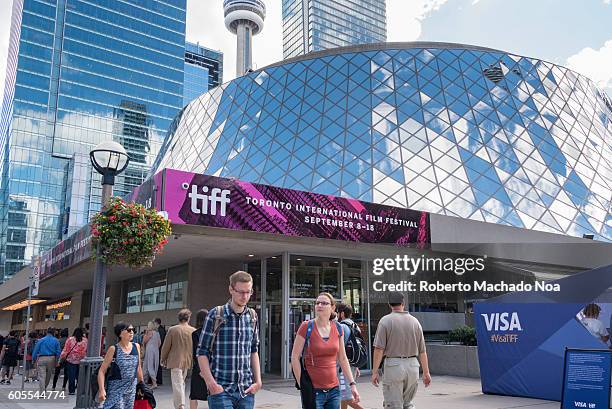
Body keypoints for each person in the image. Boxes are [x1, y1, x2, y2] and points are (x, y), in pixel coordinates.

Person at [197, 271, 262, 409]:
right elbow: (202, 352)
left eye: (248, 292)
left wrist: (258, 382)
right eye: (241, 292)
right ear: (231, 289)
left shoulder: (252, 316)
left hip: (246, 390)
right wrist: (211, 384)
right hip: (221, 390)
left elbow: (253, 350)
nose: (245, 296)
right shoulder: (216, 315)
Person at [291, 292, 360, 409]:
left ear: (332, 307)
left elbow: (343, 358)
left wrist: (352, 384)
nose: (319, 305)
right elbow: (295, 357)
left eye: (324, 303)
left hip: (334, 390)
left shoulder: (338, 328)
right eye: (317, 303)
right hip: (313, 391)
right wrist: (302, 384)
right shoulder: (306, 326)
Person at [371, 292, 431, 409]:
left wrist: (374, 372)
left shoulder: (385, 321)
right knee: (408, 404)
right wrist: (426, 372)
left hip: (393, 366)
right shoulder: (415, 322)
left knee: (393, 405)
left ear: (389, 304)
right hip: (413, 366)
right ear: (403, 303)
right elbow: (422, 351)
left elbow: (379, 349)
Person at [98, 322, 144, 409]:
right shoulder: (113, 349)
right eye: (129, 330)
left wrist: (142, 385)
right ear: (120, 333)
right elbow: (101, 371)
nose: (132, 332)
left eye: (133, 330)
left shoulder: (136, 346)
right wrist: (101, 390)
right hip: (116, 389)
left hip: (131, 389)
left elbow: (138, 368)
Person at [161, 309, 196, 409]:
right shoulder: (193, 330)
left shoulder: (173, 329)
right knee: (181, 383)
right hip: (188, 361)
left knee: (178, 384)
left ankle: (180, 405)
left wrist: (163, 358)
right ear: (188, 318)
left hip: (175, 360)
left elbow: (166, 346)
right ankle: (181, 404)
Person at [336, 303, 364, 409]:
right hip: (351, 365)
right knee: (344, 396)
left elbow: (340, 350)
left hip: (342, 368)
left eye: (338, 312)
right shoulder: (355, 326)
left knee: (347, 397)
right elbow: (355, 348)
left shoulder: (342, 327)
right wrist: (356, 367)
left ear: (342, 313)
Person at [32, 327, 61, 393]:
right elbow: (58, 352)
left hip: (42, 358)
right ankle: (44, 387)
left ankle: (42, 391)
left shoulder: (41, 340)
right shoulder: (56, 340)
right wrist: (57, 361)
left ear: (46, 332)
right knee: (48, 375)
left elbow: (36, 350)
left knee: (42, 376)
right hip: (52, 358)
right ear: (53, 333)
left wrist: (33, 359)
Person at [190, 309, 209, 409]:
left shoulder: (195, 334)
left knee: (194, 394)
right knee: (212, 393)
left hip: (198, 367)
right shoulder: (213, 333)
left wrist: (200, 370)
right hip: (211, 367)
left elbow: (196, 353)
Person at [60, 327, 88, 395]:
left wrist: (62, 357)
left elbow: (66, 349)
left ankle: (71, 391)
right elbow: (86, 350)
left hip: (71, 360)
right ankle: (81, 390)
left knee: (71, 376)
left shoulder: (70, 339)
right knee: (80, 376)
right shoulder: (85, 340)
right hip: (81, 360)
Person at [143, 321, 161, 388]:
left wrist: (145, 335)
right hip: (156, 350)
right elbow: (159, 343)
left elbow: (145, 341)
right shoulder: (157, 333)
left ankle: (153, 383)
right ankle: (150, 381)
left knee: (148, 366)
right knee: (154, 366)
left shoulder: (149, 332)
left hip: (149, 350)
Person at [155, 318, 166, 386]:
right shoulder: (162, 329)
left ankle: (159, 380)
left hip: (159, 350)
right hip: (160, 349)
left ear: (156, 323)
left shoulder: (160, 330)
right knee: (158, 365)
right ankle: (158, 380)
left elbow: (160, 341)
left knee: (158, 365)